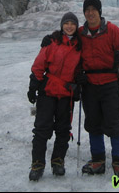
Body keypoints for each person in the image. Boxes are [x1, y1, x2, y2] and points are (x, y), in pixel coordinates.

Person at [41, 0, 119, 177]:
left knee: (114, 122)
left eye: (93, 9)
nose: (90, 13)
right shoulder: (81, 33)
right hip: (89, 84)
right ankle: (98, 160)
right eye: (87, 10)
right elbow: (65, 39)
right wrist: (50, 38)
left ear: (99, 12)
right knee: (93, 122)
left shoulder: (112, 30)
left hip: (110, 82)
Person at [27, 12, 82, 181]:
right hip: (48, 91)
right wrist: (33, 85)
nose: (69, 26)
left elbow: (84, 67)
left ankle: (58, 161)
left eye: (73, 23)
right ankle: (37, 164)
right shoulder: (52, 42)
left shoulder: (80, 45)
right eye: (67, 23)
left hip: (66, 93)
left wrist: (80, 83)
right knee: (42, 129)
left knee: (63, 130)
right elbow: (39, 65)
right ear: (62, 25)